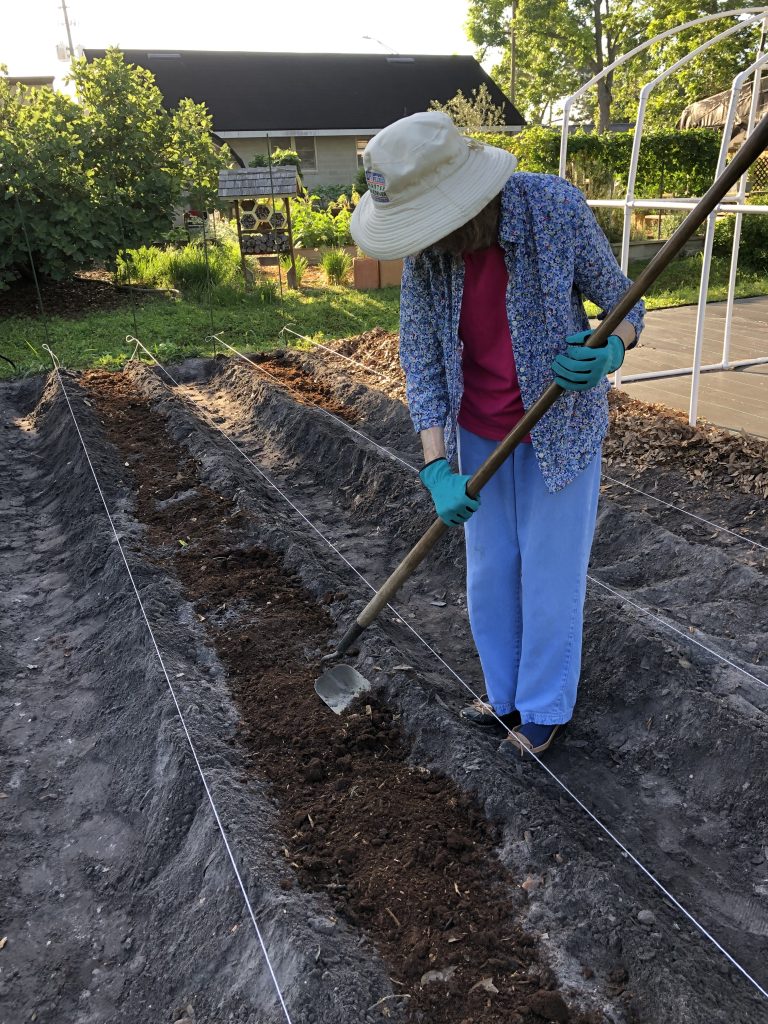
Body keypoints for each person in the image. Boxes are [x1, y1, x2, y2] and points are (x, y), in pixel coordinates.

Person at [350, 112, 644, 757]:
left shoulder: (553, 208)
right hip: (475, 433)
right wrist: (435, 466)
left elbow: (626, 301)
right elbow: (421, 358)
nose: (430, 238)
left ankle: (543, 707)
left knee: (548, 573)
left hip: (557, 430)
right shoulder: (431, 253)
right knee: (489, 572)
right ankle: (504, 693)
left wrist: (610, 351)